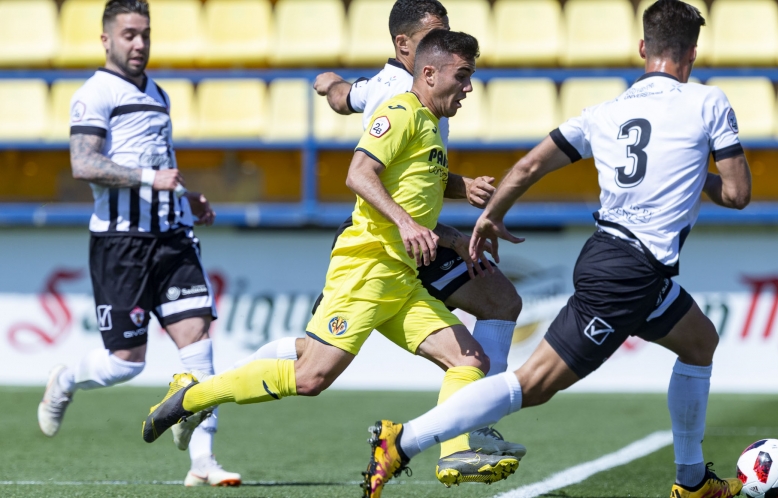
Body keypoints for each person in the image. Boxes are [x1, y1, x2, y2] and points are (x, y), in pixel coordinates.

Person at [362, 1, 753, 497]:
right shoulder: (708, 102)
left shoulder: (605, 112)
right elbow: (738, 194)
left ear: (641, 49)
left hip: (625, 261)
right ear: (693, 52)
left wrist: (490, 216)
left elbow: (528, 166)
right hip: (626, 273)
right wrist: (698, 174)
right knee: (534, 385)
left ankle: (691, 480)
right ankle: (405, 440)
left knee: (699, 342)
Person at [141, 30, 521, 491]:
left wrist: (454, 237)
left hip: (401, 279)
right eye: (462, 77)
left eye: (471, 77)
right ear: (428, 73)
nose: (468, 87)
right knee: (310, 377)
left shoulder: (429, 128)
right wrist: (406, 224)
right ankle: (192, 397)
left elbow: (413, 203)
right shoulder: (400, 113)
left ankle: (453, 451)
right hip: (365, 270)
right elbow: (359, 175)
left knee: (470, 361)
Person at [228, 0, 526, 471]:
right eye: (433, 35)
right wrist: (329, 84)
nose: (442, 44)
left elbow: (352, 102)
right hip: (385, 236)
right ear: (405, 46)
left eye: (446, 33)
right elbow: (369, 171)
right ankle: (211, 392)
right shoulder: (395, 90)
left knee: (501, 303)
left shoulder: (404, 85)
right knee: (311, 362)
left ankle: (471, 422)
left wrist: (329, 84)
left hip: (421, 235)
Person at [36, 0, 240, 487]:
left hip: (172, 239)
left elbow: (158, 161)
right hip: (121, 245)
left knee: (200, 346)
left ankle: (203, 462)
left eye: (145, 33)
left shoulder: (159, 93)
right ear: (106, 39)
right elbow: (84, 163)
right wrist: (151, 178)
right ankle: (65, 379)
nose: (140, 43)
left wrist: (188, 196)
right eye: (129, 34)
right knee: (124, 364)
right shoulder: (94, 92)